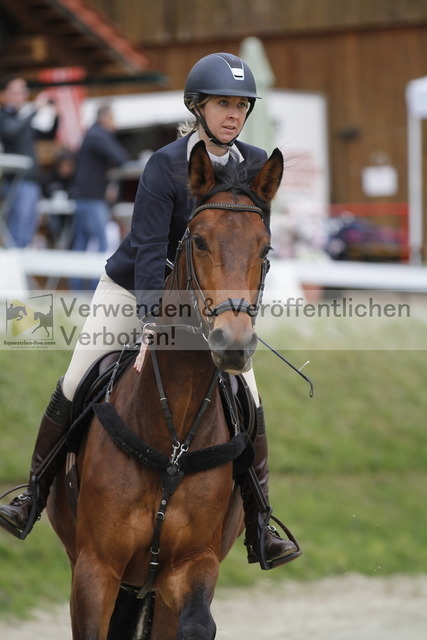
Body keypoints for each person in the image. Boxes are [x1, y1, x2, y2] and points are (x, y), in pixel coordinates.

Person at [0, 53, 300, 567]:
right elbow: (147, 249)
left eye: (240, 105)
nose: (233, 114)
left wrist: (242, 313)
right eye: (223, 104)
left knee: (250, 400)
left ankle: (260, 522)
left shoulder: (256, 165)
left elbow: (252, 252)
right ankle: (32, 495)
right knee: (76, 378)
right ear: (197, 107)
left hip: (213, 301)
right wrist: (150, 324)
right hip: (133, 289)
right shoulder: (165, 164)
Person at [69, 103, 129, 289]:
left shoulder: (91, 133)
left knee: (82, 242)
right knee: (101, 242)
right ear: (104, 118)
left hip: (84, 195)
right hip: (92, 196)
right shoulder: (99, 134)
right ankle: (96, 287)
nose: (114, 123)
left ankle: (77, 286)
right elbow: (120, 157)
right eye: (112, 118)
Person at [0, 76, 59, 247]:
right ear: (4, 94)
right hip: (17, 180)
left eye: (24, 91)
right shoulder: (4, 116)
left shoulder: (21, 118)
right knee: (17, 229)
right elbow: (11, 132)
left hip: (32, 179)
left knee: (28, 229)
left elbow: (47, 135)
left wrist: (56, 115)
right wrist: (35, 109)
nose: (22, 95)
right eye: (17, 91)